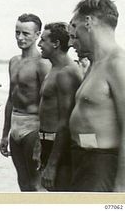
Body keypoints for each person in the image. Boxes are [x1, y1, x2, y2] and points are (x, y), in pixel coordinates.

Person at [68, 0, 125, 192]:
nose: (73, 33)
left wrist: (121, 186)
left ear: (89, 22)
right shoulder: (95, 64)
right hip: (81, 158)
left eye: (75, 25)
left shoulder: (118, 63)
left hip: (101, 164)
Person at [0, 13, 51, 191]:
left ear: (37, 35)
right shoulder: (13, 61)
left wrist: (41, 139)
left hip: (33, 125)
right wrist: (5, 134)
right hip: (16, 123)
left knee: (36, 183)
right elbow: (10, 99)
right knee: (22, 182)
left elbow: (48, 103)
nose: (20, 37)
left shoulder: (43, 64)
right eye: (17, 32)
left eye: (26, 34)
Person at [38, 22, 83, 191]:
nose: (39, 44)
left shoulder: (67, 73)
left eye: (43, 40)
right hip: (47, 143)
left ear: (56, 44)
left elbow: (65, 122)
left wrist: (52, 165)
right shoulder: (54, 69)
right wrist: (39, 145)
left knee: (62, 198)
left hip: (60, 148)